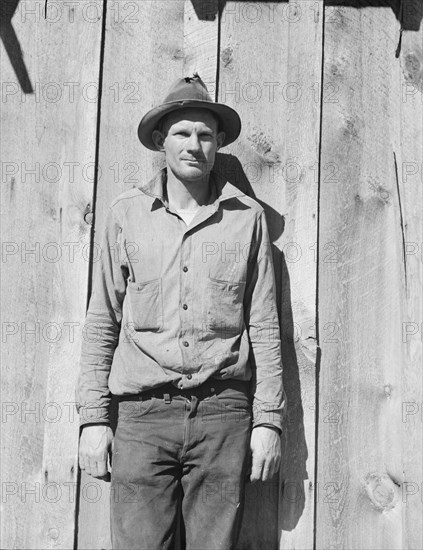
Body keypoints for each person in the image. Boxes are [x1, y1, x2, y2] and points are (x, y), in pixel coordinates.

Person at [75, 73, 286, 550]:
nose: (195, 145)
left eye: (206, 134)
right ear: (160, 141)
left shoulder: (246, 219)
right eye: (182, 133)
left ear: (218, 144)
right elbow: (102, 319)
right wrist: (92, 419)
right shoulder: (126, 215)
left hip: (223, 416)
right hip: (142, 419)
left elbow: (266, 326)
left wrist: (268, 421)